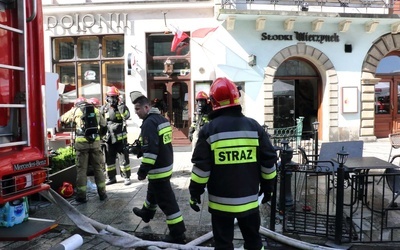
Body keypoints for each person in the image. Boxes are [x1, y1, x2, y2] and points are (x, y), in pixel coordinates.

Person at [189, 77, 278, 249]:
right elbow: (268, 163)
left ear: (213, 102)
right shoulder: (254, 127)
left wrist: (195, 193)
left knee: (223, 244)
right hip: (250, 202)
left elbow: (201, 169)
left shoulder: (209, 130)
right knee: (254, 241)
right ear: (236, 98)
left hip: (220, 204)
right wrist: (269, 188)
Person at [129, 91, 186, 244]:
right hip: (166, 164)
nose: (136, 112)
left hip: (158, 168)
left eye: (137, 109)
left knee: (167, 202)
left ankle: (178, 233)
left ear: (147, 107)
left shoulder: (149, 123)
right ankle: (146, 213)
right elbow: (158, 144)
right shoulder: (162, 119)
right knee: (152, 190)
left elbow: (152, 151)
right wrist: (139, 149)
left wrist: (142, 171)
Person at [60, 96, 108, 203]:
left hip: (82, 146)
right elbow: (104, 126)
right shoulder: (96, 110)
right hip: (95, 144)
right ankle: (102, 194)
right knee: (98, 169)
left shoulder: (75, 111)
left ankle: (81, 196)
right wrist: (99, 137)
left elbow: (62, 119)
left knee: (82, 170)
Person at [100, 86, 132, 186]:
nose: (112, 99)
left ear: (118, 97)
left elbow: (127, 116)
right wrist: (101, 136)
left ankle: (126, 177)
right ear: (107, 97)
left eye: (114, 97)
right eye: (110, 97)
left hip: (120, 139)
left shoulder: (121, 106)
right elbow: (100, 123)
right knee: (109, 159)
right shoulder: (103, 108)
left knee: (123, 159)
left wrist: (121, 106)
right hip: (109, 139)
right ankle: (111, 177)